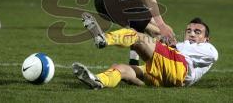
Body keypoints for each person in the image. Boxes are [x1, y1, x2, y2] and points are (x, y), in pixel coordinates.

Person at [73, 13, 218, 88]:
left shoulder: (209, 50)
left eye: (197, 32)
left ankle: (104, 39)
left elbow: (178, 50)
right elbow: (172, 46)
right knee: (121, 69)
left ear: (207, 38)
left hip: (179, 67)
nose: (192, 34)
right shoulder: (182, 46)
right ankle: (98, 81)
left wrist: (169, 43)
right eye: (189, 30)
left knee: (137, 37)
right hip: (170, 79)